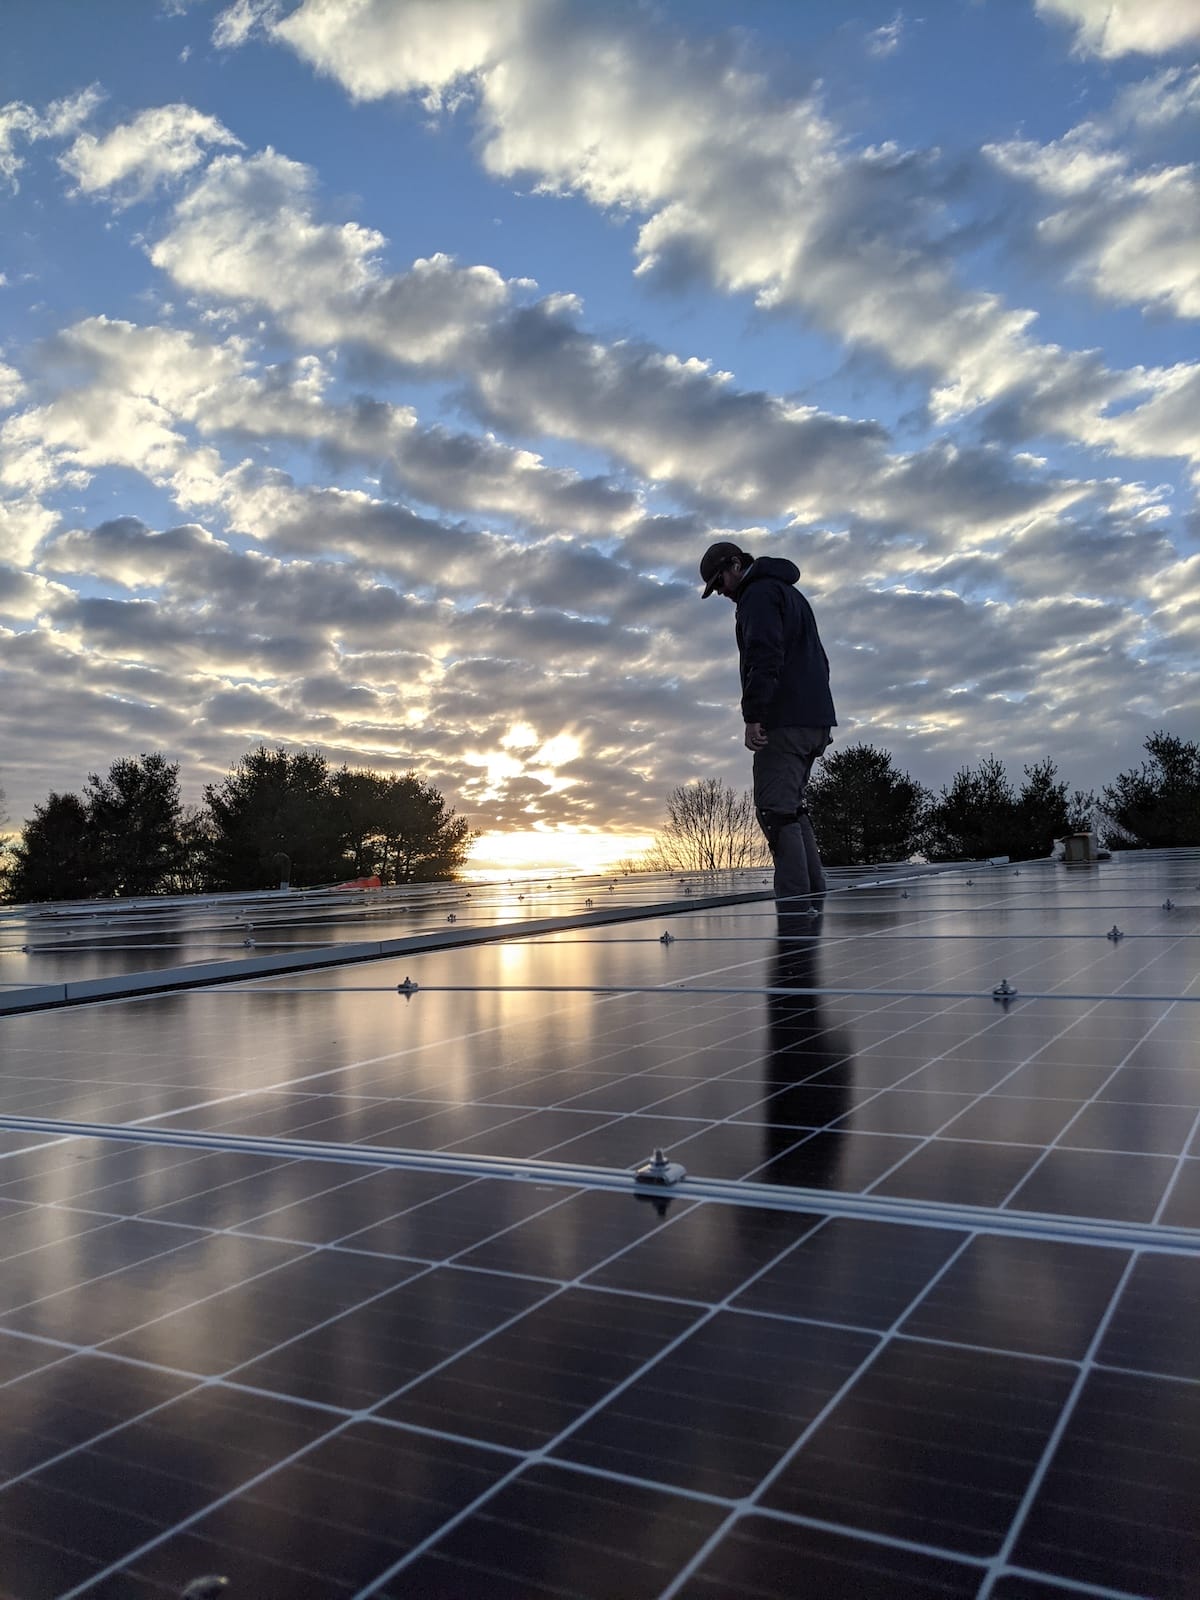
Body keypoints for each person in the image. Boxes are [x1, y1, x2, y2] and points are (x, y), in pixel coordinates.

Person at [699, 540, 836, 913]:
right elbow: (820, 662)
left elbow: (763, 656)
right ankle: (813, 899)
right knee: (791, 808)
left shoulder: (757, 596)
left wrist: (753, 715)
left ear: (736, 565)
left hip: (786, 720)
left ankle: (795, 910)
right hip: (813, 719)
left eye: (720, 581)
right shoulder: (789, 594)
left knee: (775, 811)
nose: (723, 592)